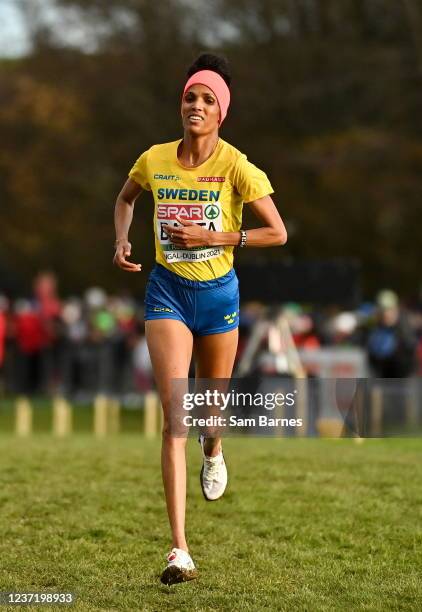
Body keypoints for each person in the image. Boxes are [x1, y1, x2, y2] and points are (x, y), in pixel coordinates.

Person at [113, 53, 287, 585]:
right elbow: (125, 199)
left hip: (218, 299)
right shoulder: (154, 159)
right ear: (181, 104)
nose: (196, 104)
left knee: (209, 417)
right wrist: (121, 238)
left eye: (208, 99)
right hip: (167, 292)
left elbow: (277, 233)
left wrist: (216, 236)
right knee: (175, 417)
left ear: (221, 113)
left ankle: (215, 447)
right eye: (191, 96)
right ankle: (179, 550)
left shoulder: (238, 166)